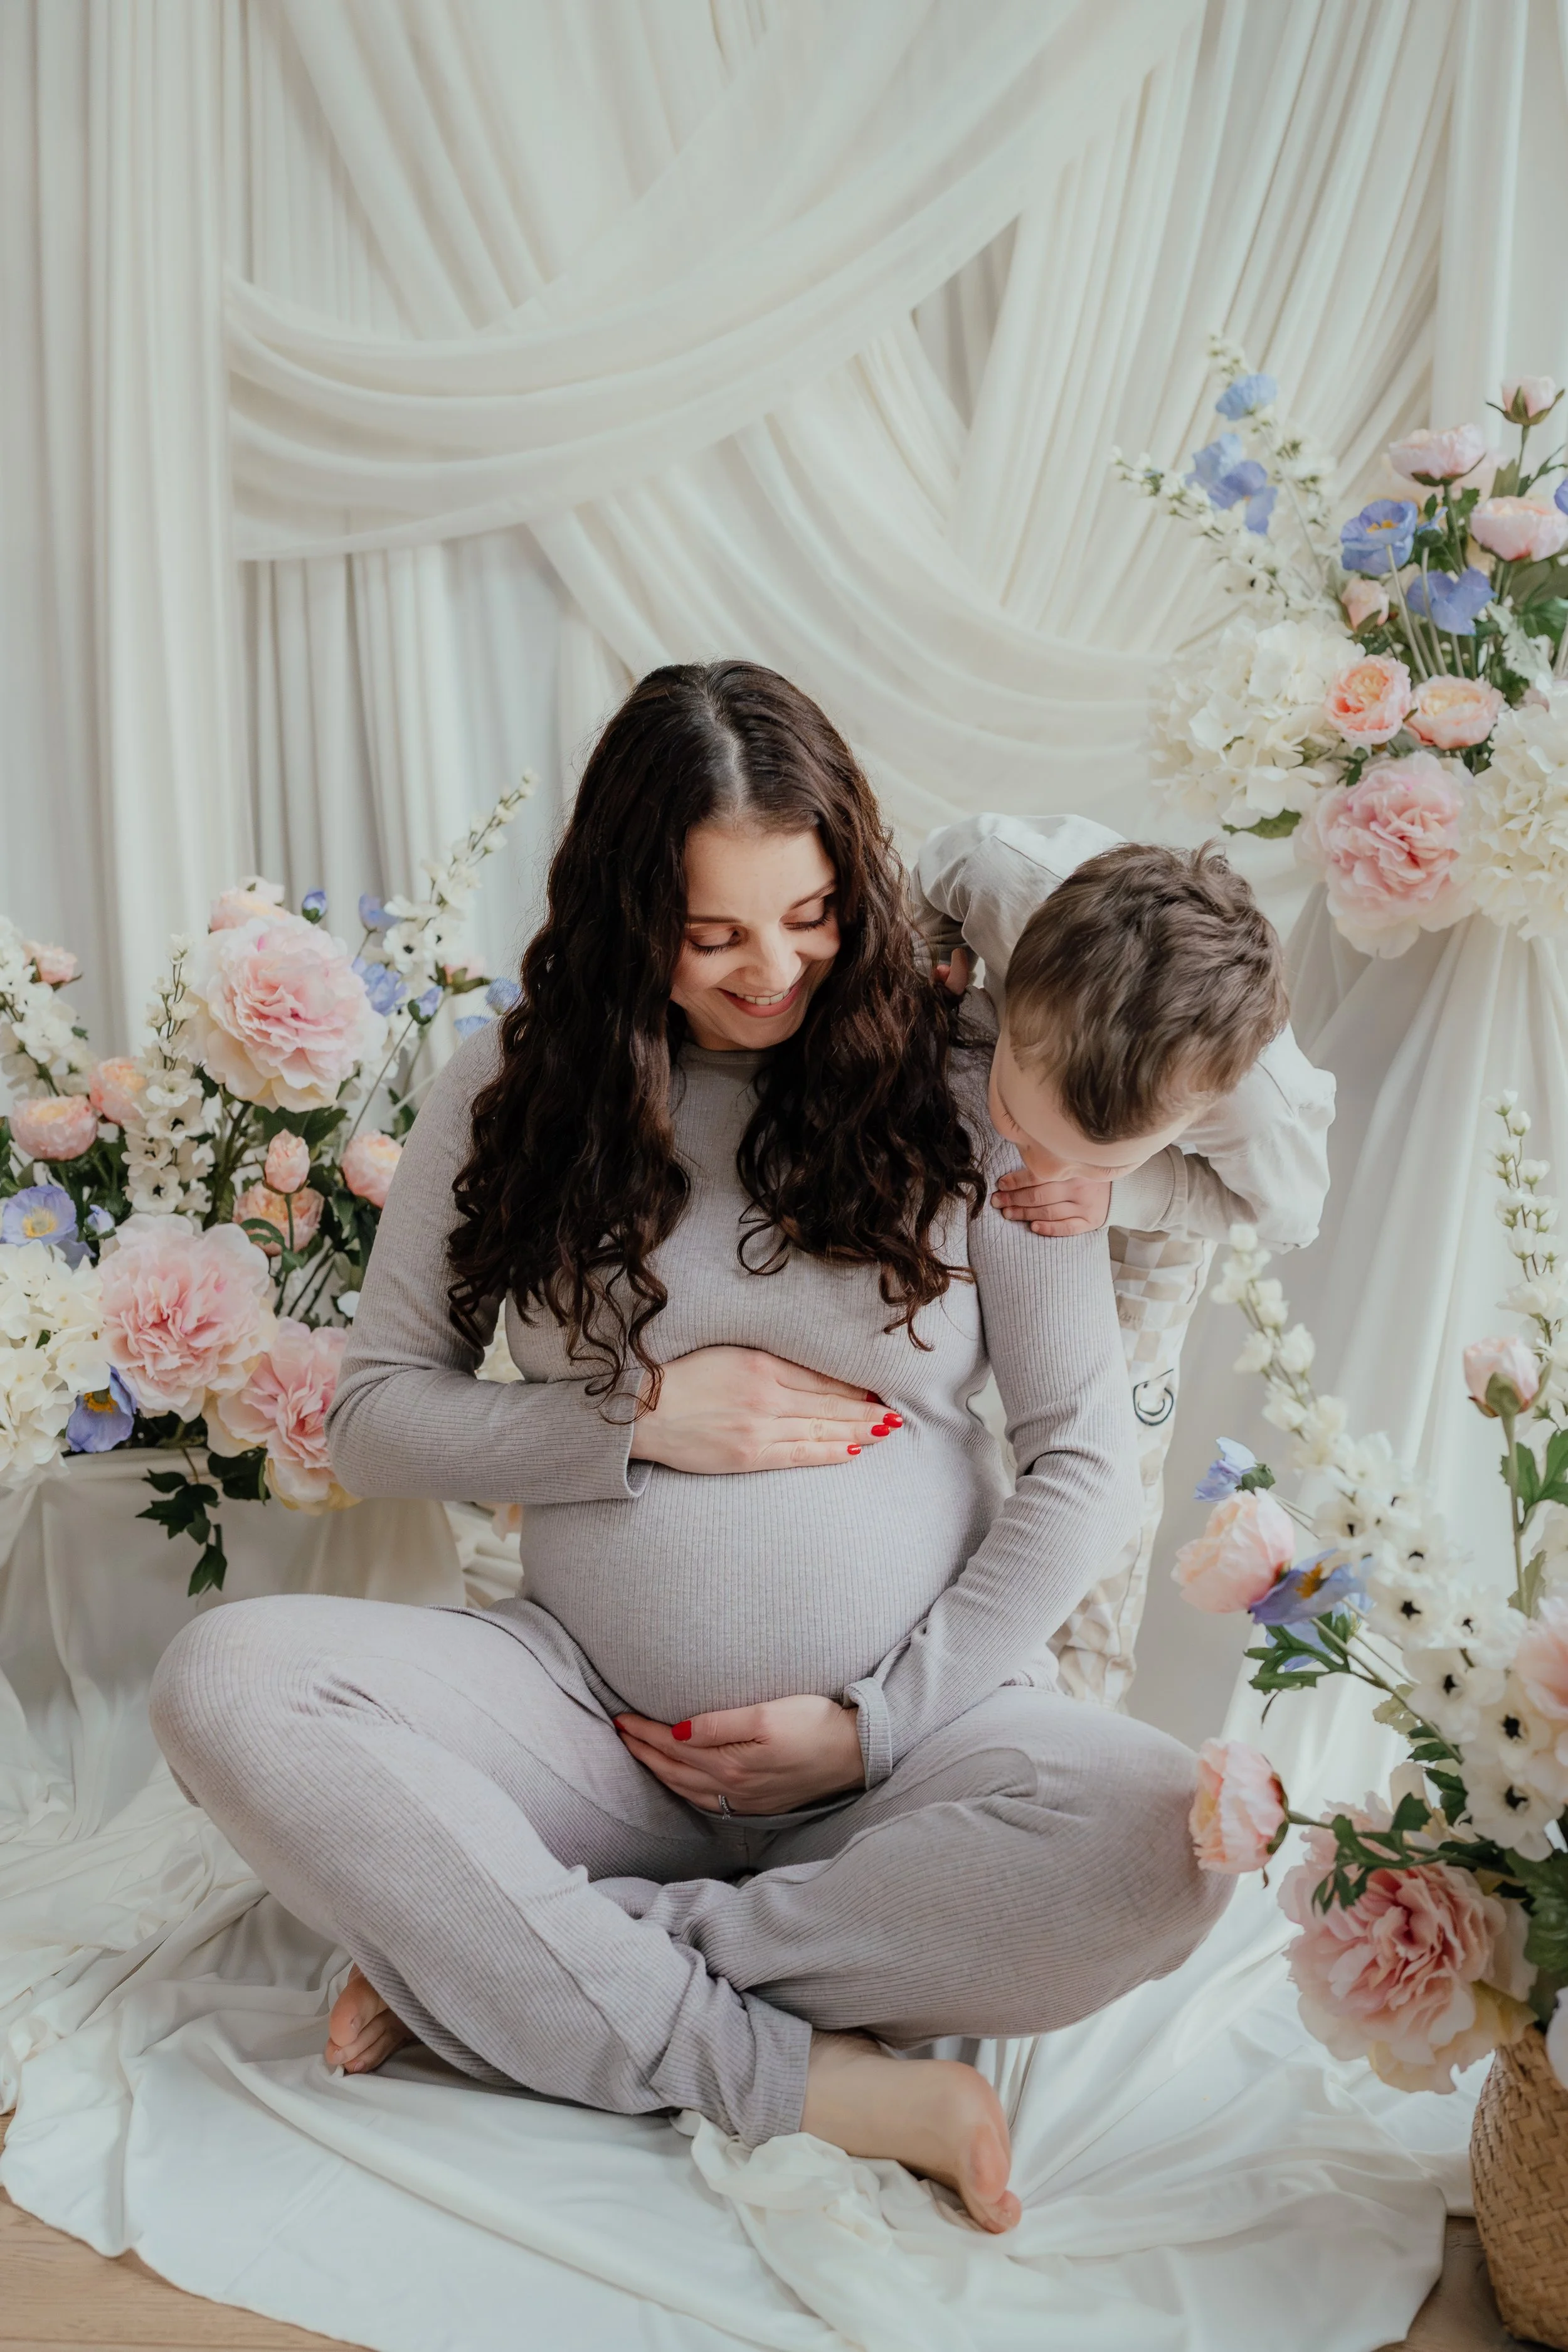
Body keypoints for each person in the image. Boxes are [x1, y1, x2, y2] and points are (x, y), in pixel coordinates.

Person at [149, 663, 1229, 2237]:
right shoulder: (515, 1088)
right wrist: (631, 1414)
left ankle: (518, 1961)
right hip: (586, 1724)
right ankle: (794, 2071)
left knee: (1166, 1839)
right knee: (222, 1682)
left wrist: (868, 1726)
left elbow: (1082, 1461)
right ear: (617, 909)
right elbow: (376, 1417)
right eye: (711, 931)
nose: (771, 968)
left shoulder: (979, 1088)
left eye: (806, 915)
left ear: (851, 880)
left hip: (910, 1757)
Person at [913, 812, 1334, 1249]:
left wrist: (1136, 1191)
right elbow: (934, 871)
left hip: (1166, 1203)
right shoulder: (998, 875)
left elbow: (1289, 1224)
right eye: (1016, 1119)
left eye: (1104, 1163)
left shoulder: (1260, 1113)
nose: (1045, 1171)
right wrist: (926, 964)